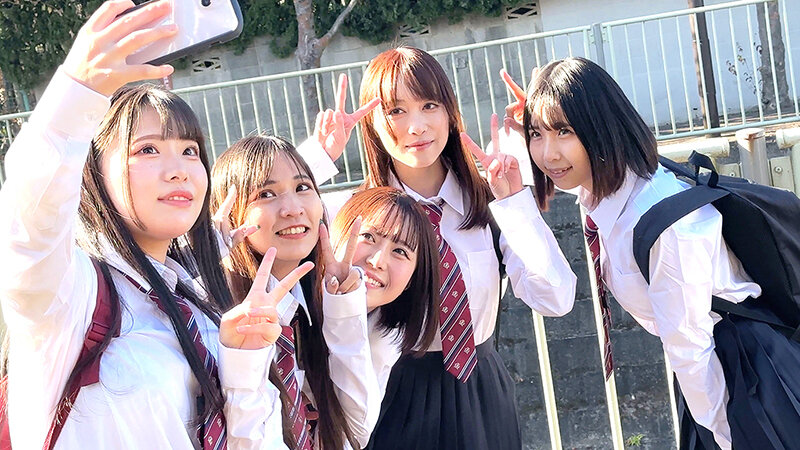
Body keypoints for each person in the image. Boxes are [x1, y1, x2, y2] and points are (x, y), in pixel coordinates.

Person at [0, 1, 308, 448]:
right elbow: (29, 226)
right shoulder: (69, 293)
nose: (179, 169)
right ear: (93, 172)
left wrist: (243, 368)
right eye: (147, 149)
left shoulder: (202, 308)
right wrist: (77, 92)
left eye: (190, 151)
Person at [300, 46, 577, 450]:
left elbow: (556, 299)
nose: (416, 127)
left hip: (481, 393)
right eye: (395, 110)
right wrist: (318, 158)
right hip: (391, 395)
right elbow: (259, 219)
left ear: (449, 112)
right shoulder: (350, 216)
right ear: (372, 123)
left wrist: (516, 203)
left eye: (429, 105)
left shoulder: (490, 204)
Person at [520, 56, 800, 450]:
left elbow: (690, 346)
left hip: (746, 379)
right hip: (714, 376)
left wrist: (725, 436)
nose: (548, 154)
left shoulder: (666, 221)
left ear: (601, 126)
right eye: (536, 134)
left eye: (564, 131)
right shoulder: (610, 190)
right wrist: (529, 131)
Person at [210, 135, 380, 450]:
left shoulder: (313, 307)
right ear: (231, 216)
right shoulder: (217, 321)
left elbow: (357, 430)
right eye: (266, 194)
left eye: (303, 187)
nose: (292, 209)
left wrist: (343, 310)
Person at [328, 186, 440, 395]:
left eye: (400, 251)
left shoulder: (385, 339)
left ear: (412, 280)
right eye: (368, 237)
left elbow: (354, 416)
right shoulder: (292, 308)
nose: (377, 261)